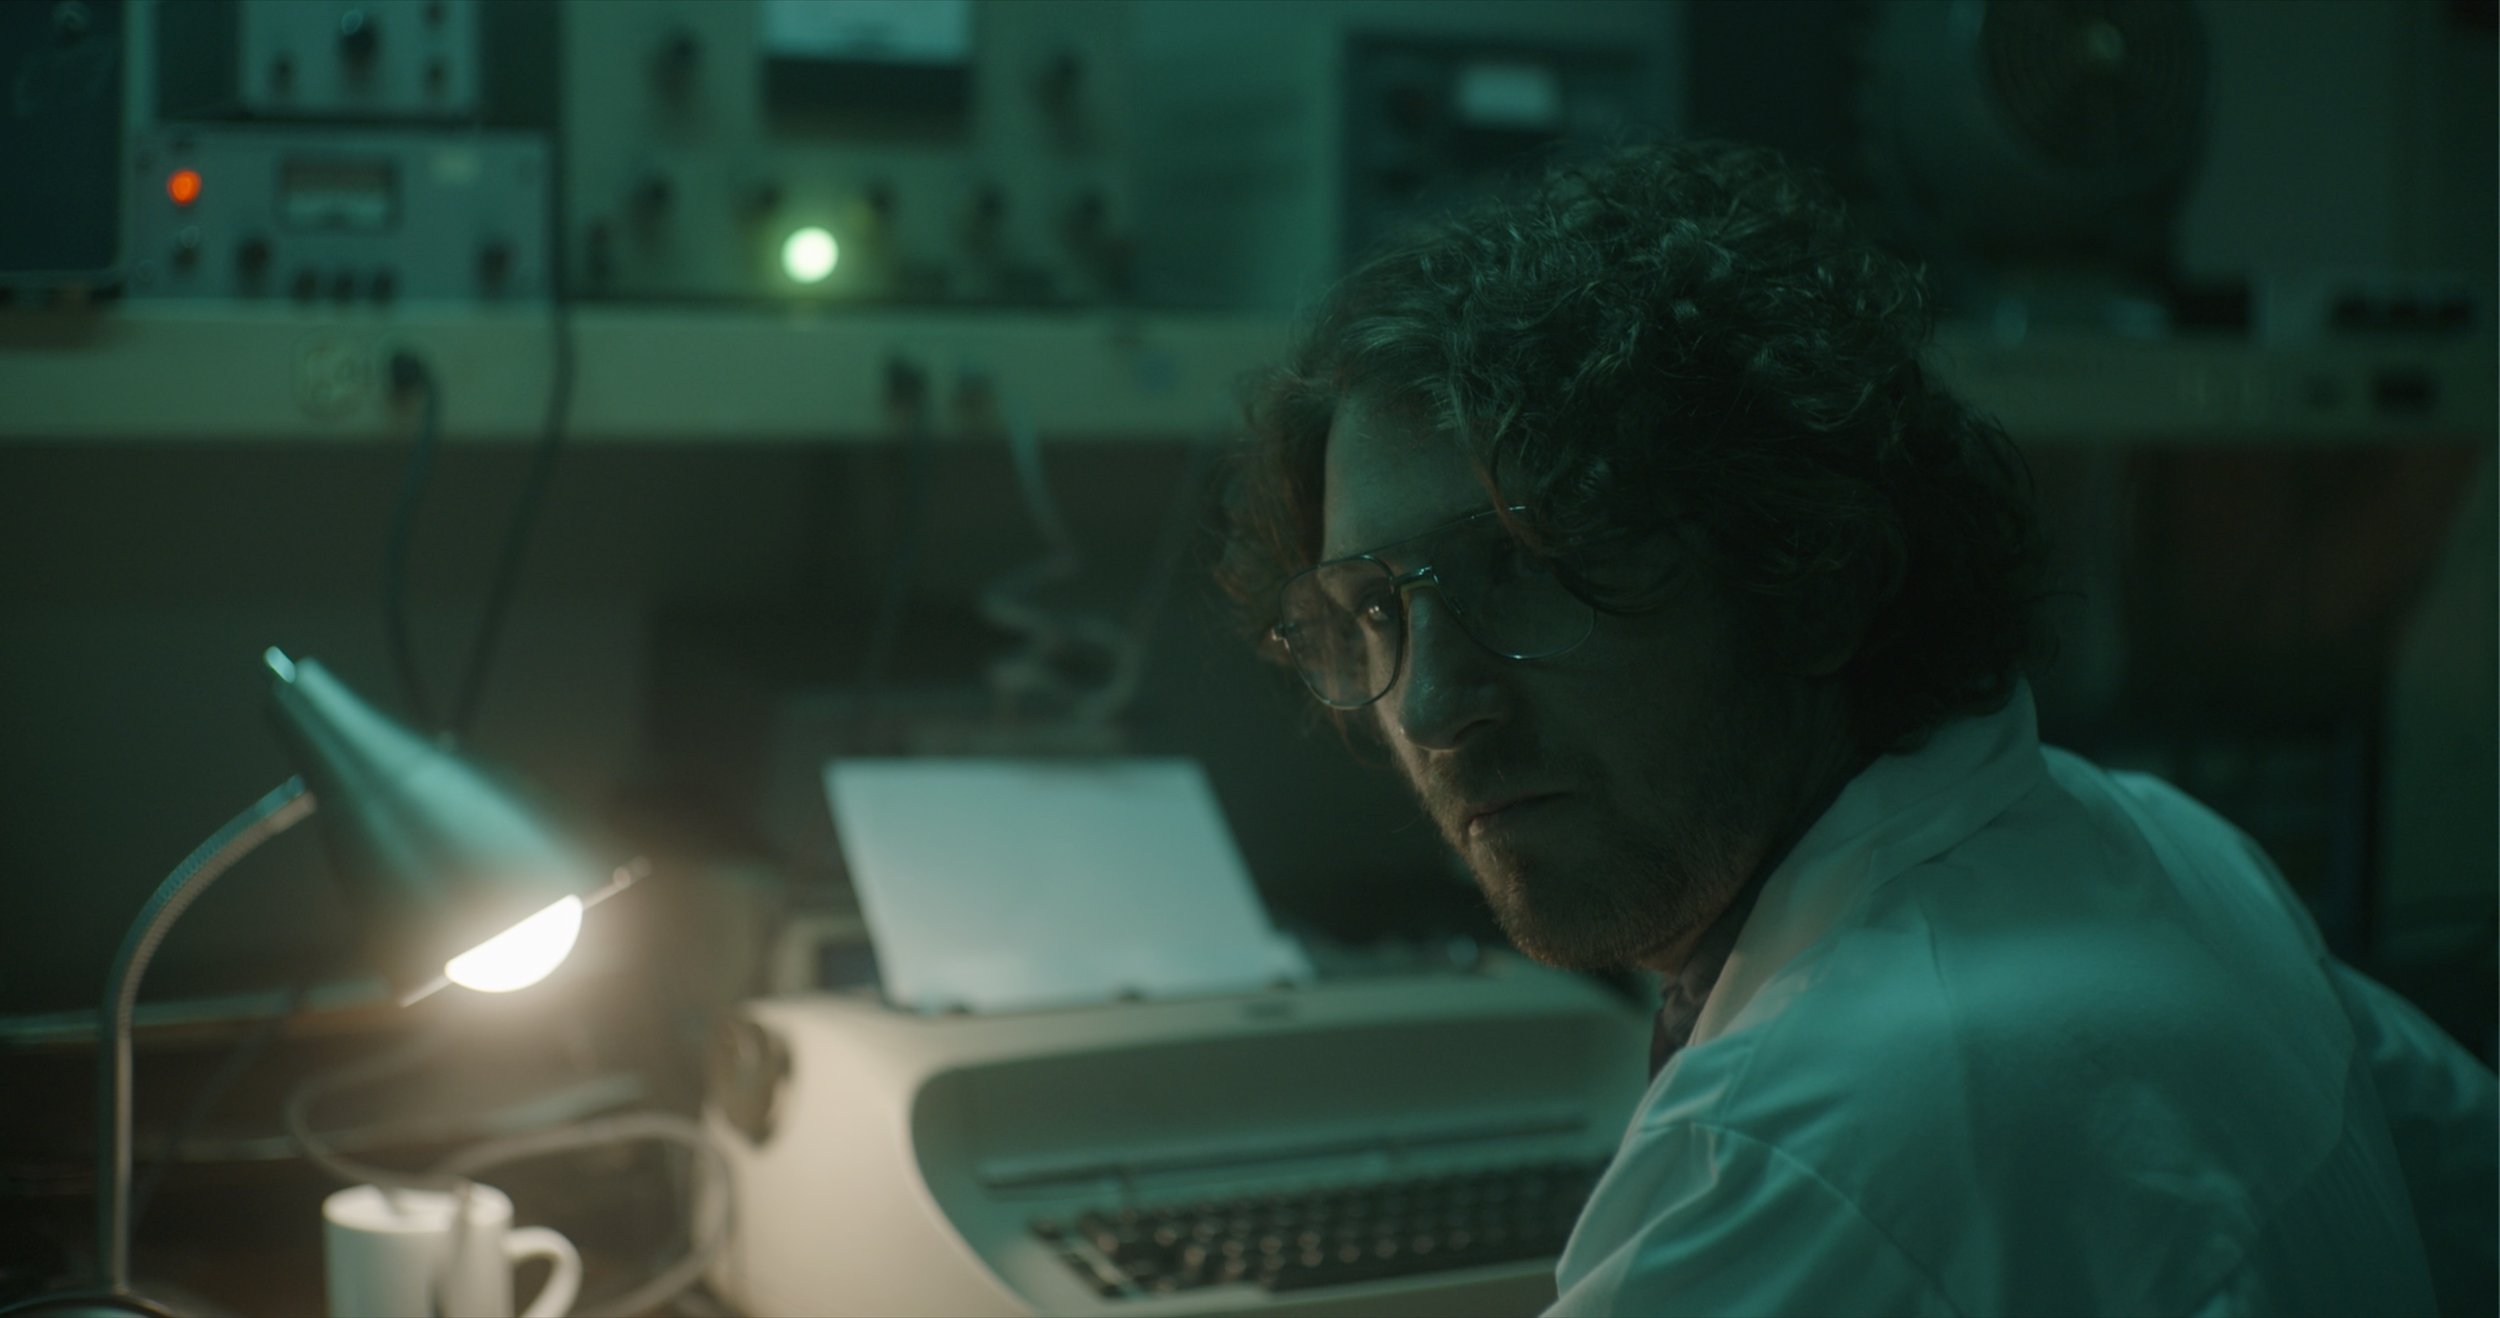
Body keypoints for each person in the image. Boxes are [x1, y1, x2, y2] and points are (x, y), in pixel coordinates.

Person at [1214, 140, 2497, 1317]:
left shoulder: (1808, 1145)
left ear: (1811, 577)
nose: (1431, 707)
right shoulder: (2162, 847)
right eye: (1371, 613)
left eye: (1526, 570)